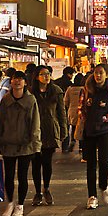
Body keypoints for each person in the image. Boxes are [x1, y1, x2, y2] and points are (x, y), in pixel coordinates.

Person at [0, 70, 41, 216]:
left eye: (20, 79)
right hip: (8, 144)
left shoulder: (31, 100)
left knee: (22, 176)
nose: (17, 82)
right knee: (8, 176)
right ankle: (10, 203)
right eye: (15, 79)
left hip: (25, 145)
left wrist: (36, 144)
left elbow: (35, 124)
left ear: (25, 83)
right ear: (11, 81)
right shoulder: (5, 100)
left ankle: (20, 205)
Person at [75, 64, 108, 209]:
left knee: (104, 161)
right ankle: (92, 196)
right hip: (89, 130)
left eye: (101, 73)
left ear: (106, 75)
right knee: (90, 164)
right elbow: (81, 108)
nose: (98, 76)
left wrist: (105, 118)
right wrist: (85, 118)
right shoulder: (86, 90)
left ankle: (104, 186)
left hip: (105, 130)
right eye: (95, 73)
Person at [29, 65, 68, 206]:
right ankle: (38, 192)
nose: (46, 76)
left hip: (50, 130)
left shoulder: (56, 91)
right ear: (37, 76)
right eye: (43, 74)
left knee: (46, 162)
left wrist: (64, 130)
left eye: (48, 73)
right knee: (35, 162)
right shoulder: (30, 92)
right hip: (35, 132)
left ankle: (46, 188)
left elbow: (61, 113)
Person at [64, 73, 86, 159]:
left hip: (72, 111)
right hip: (81, 111)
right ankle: (81, 146)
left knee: (73, 127)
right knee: (81, 128)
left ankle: (72, 140)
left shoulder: (70, 89)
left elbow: (65, 101)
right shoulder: (84, 89)